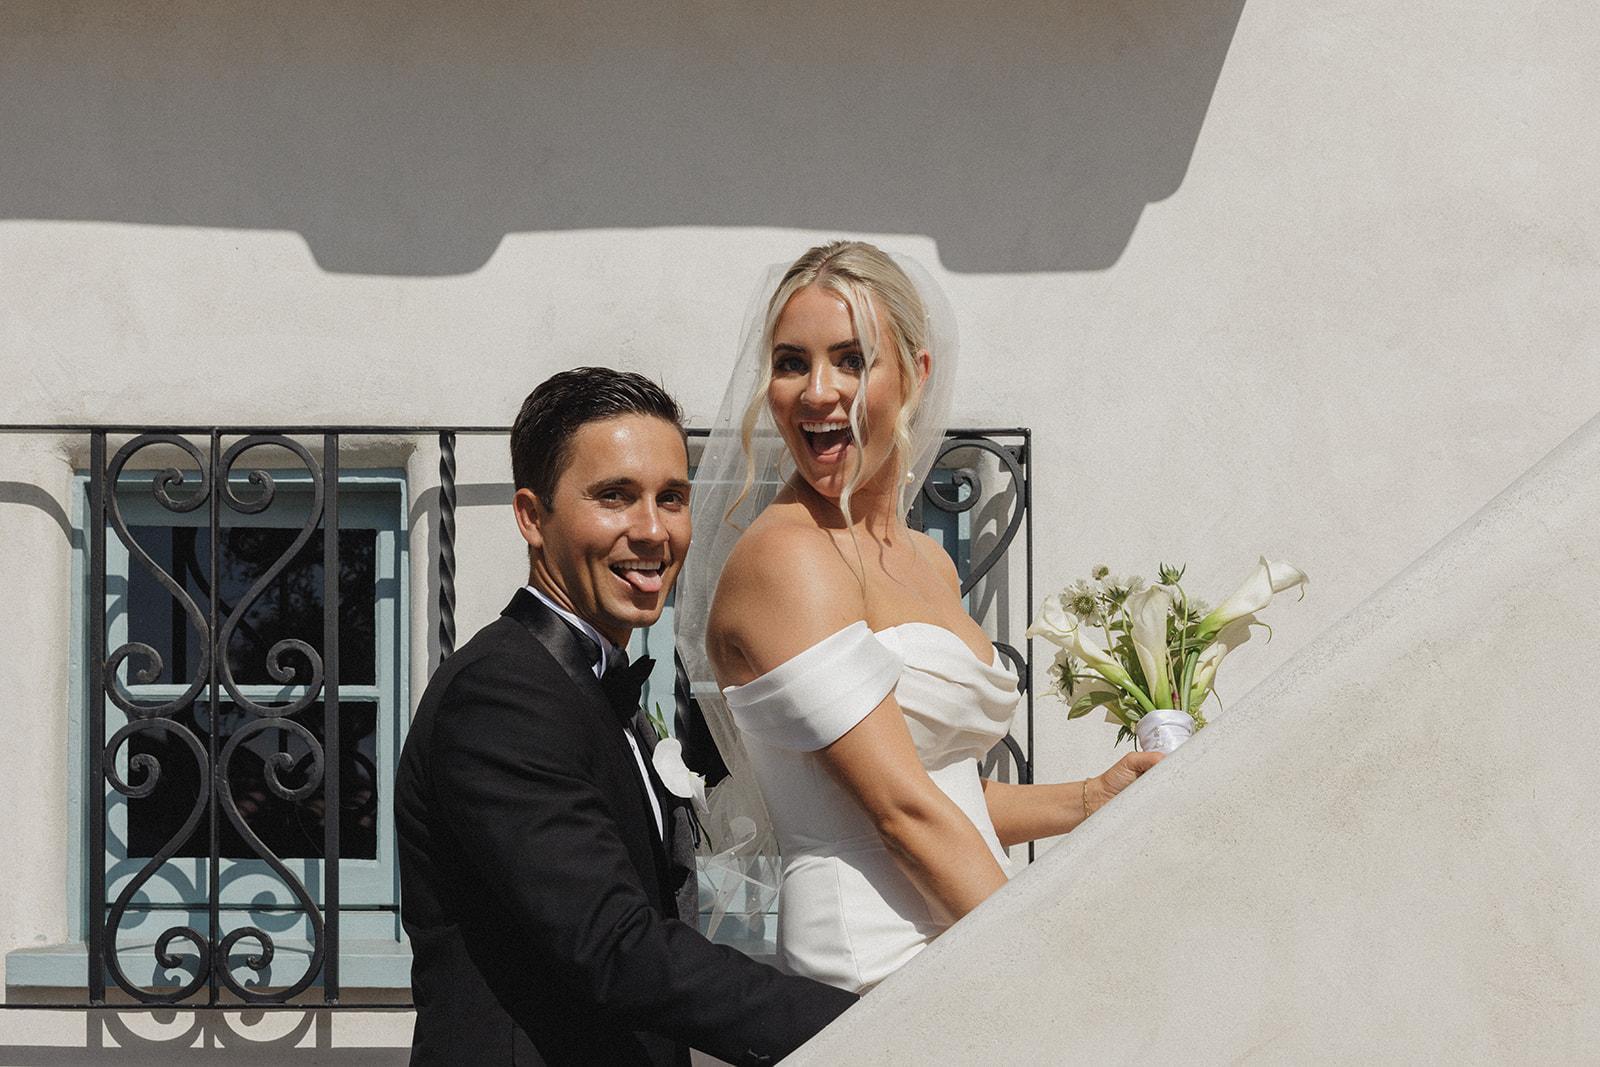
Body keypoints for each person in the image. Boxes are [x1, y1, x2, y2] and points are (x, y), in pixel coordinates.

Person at [683, 241, 1163, 993]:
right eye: (791, 363)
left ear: (916, 372)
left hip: (963, 928)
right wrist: (1049, 974)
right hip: (876, 970)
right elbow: (901, 812)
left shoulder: (927, 560)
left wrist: (1088, 798)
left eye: (852, 359)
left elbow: (944, 790)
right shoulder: (788, 558)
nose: (818, 391)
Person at [394, 368, 856, 1066]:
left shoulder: (588, 682)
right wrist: (862, 1028)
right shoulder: (502, 693)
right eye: (614, 496)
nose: (652, 530)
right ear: (531, 516)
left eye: (671, 497)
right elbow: (617, 947)